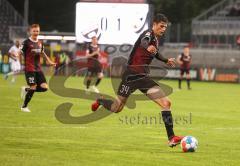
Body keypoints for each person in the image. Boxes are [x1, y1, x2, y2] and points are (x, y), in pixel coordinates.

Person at [91, 14, 184, 147]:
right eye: (161, 26)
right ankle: (100, 100)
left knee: (166, 102)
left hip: (143, 77)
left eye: (165, 27)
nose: (163, 29)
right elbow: (144, 42)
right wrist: (147, 47)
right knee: (117, 108)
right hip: (131, 75)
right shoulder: (148, 34)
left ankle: (171, 137)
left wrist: (166, 60)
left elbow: (155, 52)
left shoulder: (156, 40)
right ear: (154, 24)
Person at [20, 24, 56, 112]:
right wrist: (19, 58)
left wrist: (49, 61)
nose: (36, 33)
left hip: (38, 69)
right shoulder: (26, 42)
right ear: (30, 31)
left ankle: (26, 89)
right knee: (33, 87)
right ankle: (24, 107)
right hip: (29, 69)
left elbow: (42, 53)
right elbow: (20, 52)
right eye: (34, 31)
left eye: (37, 31)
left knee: (44, 88)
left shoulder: (40, 43)